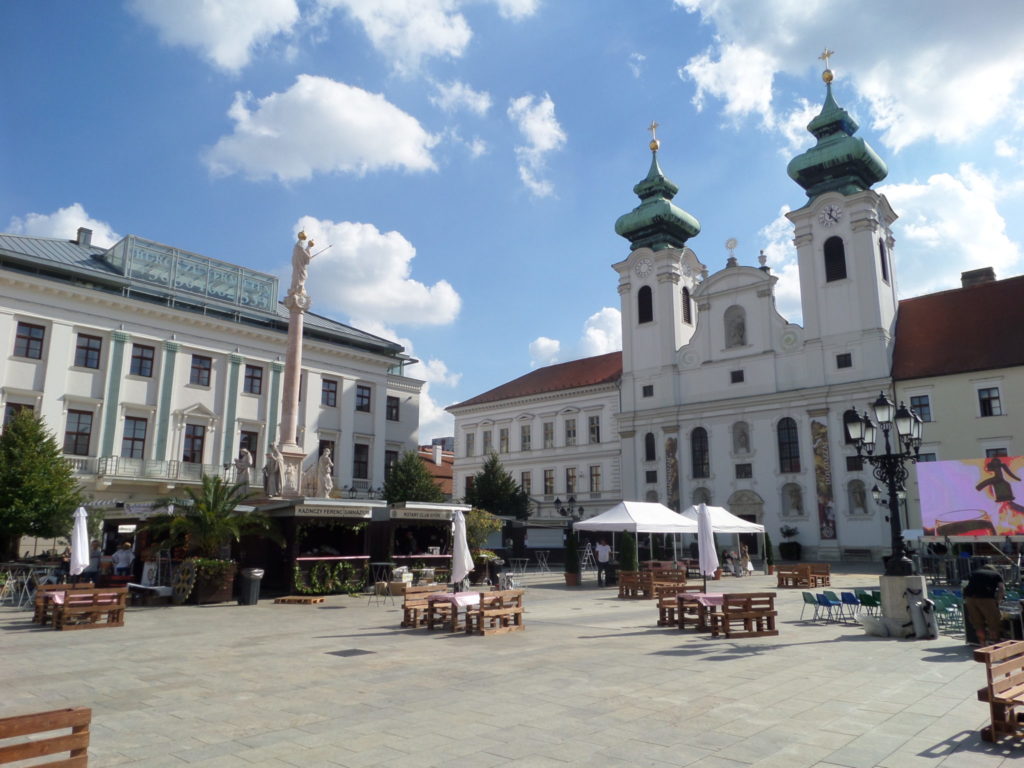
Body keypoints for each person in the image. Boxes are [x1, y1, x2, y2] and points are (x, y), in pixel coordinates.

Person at [963, 561, 1006, 646]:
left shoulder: (974, 573)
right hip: (986, 598)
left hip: (970, 598)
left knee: (978, 624)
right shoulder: (996, 575)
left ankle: (982, 644)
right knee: (993, 623)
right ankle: (995, 644)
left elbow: (965, 585)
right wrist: (997, 601)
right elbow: (1001, 589)